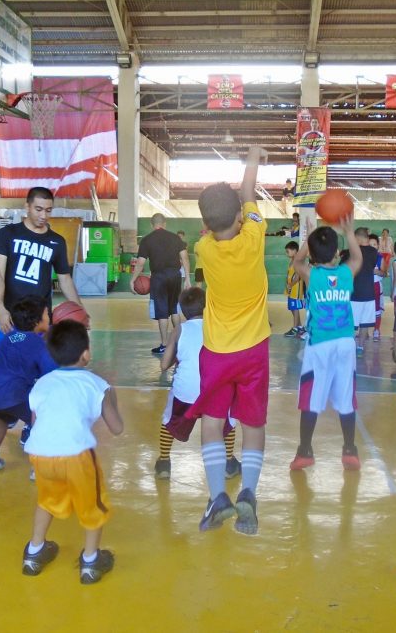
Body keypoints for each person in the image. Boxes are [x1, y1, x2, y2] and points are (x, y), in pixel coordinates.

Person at [187, 146, 269, 535]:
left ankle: (218, 495)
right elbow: (249, 189)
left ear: (205, 222)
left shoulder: (203, 249)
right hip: (254, 350)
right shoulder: (254, 236)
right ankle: (249, 493)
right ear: (240, 216)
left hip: (217, 351)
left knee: (212, 423)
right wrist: (252, 158)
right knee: (252, 423)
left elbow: (221, 220)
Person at [22, 320, 124, 583]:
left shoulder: (42, 383)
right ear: (86, 354)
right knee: (93, 504)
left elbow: (35, 423)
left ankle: (34, 552)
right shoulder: (96, 384)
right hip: (77, 455)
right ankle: (90, 561)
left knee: (47, 499)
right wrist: (110, 396)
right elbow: (117, 428)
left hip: (40, 454)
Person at [288, 221, 363, 471]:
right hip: (344, 343)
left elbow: (298, 263)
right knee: (345, 397)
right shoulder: (345, 273)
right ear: (336, 253)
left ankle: (305, 451)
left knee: (311, 399)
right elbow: (357, 257)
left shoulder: (312, 275)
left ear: (312, 253)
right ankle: (350, 450)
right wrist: (349, 232)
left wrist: (307, 238)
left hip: (319, 345)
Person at [156, 287, 239, 480]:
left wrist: (179, 357)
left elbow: (163, 365)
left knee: (169, 422)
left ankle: (163, 463)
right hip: (215, 391)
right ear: (207, 306)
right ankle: (228, 463)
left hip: (186, 393)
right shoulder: (218, 327)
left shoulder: (179, 330)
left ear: (183, 310)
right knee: (228, 422)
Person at [0, 187, 86, 351]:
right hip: (11, 317)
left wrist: (80, 310)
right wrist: (0, 309)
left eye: (48, 210)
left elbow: (65, 279)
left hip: (41, 321)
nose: (43, 216)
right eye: (38, 209)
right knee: (6, 368)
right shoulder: (7, 234)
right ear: (27, 206)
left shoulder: (57, 241)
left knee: (41, 371)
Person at [0, 296, 57, 477]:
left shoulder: (10, 338)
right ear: (37, 321)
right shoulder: (38, 345)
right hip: (13, 395)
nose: (49, 317)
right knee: (42, 419)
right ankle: (39, 466)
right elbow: (51, 374)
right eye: (47, 314)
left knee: (3, 417)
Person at [130, 213, 190, 355]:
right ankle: (179, 342)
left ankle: (164, 345)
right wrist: (187, 277)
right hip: (175, 276)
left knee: (162, 312)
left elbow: (140, 263)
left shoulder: (147, 240)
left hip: (159, 277)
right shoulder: (175, 238)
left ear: (152, 225)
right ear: (165, 223)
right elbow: (185, 258)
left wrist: (133, 279)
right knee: (175, 309)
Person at [348, 227, 378, 357]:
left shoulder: (354, 252)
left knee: (352, 324)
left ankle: (351, 346)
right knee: (365, 323)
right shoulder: (374, 252)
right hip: (369, 293)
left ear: (358, 238)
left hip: (355, 292)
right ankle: (360, 347)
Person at [283, 241, 306, 338]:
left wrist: (291, 285)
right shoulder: (292, 260)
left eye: (288, 251)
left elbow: (297, 277)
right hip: (291, 288)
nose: (286, 253)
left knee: (295, 308)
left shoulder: (297, 261)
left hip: (295, 289)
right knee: (292, 308)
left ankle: (295, 328)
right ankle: (299, 326)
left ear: (295, 251)